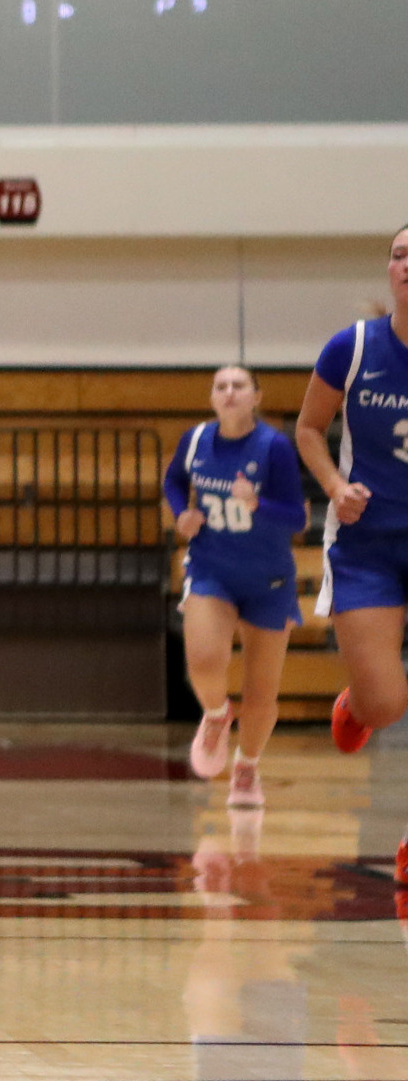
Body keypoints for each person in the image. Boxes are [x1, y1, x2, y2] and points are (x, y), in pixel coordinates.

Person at [295, 223, 408, 875]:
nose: (406, 264)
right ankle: (356, 703)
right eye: (398, 254)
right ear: (388, 271)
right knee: (387, 702)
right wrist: (335, 485)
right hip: (365, 546)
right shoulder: (353, 347)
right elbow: (309, 428)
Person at [163, 365, 305, 809]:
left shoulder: (273, 447)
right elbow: (173, 482)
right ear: (212, 398)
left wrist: (257, 503)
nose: (229, 392)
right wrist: (179, 514)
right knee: (204, 662)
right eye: (220, 386)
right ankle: (216, 714)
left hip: (269, 579)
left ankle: (246, 768)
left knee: (261, 695)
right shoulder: (195, 441)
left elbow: (298, 518)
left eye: (238, 385)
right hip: (213, 568)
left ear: (256, 397)